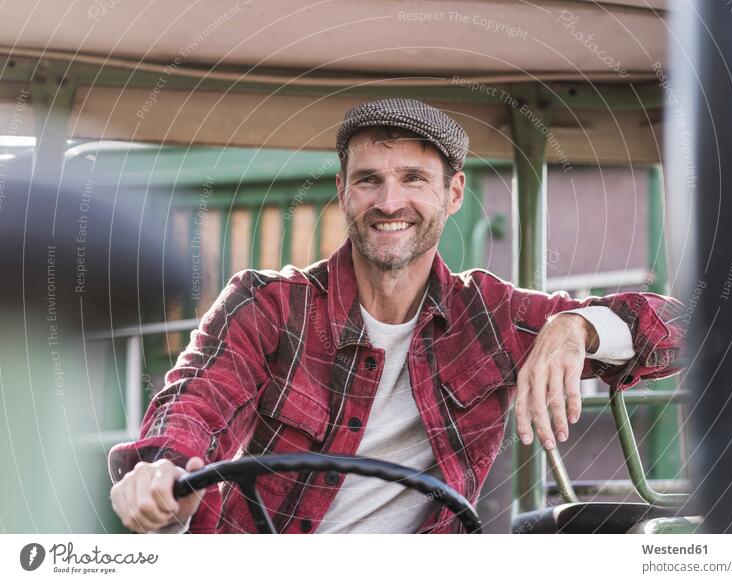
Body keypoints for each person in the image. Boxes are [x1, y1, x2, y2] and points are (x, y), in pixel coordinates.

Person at [108, 98, 685, 534]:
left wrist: (578, 327)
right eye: (369, 180)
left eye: (413, 179)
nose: (389, 203)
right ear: (342, 191)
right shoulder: (267, 305)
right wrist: (163, 471)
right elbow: (195, 401)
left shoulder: (488, 317)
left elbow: (680, 330)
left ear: (454, 193)